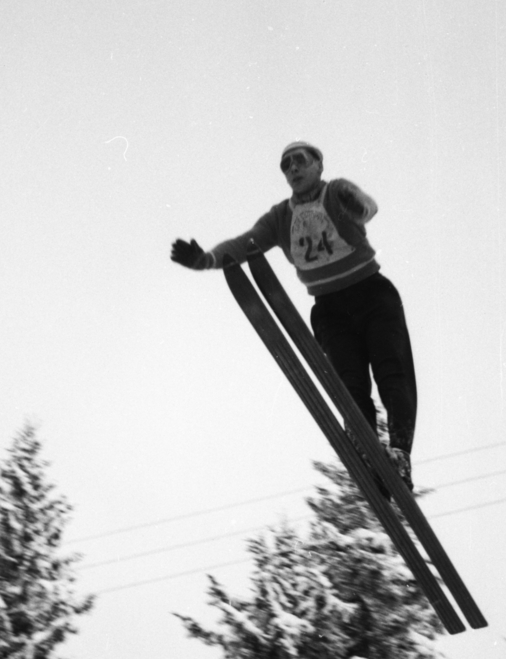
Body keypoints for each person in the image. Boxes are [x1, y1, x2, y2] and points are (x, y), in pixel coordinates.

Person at [171, 140, 418, 488]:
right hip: (330, 309)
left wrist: (356, 205)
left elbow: (368, 209)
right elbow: (246, 242)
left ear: (318, 164)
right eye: (286, 166)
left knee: (392, 371)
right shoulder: (280, 218)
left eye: (300, 161)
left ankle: (400, 454)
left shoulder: (335, 192)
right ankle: (370, 454)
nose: (293, 170)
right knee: (350, 385)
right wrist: (206, 259)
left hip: (372, 293)